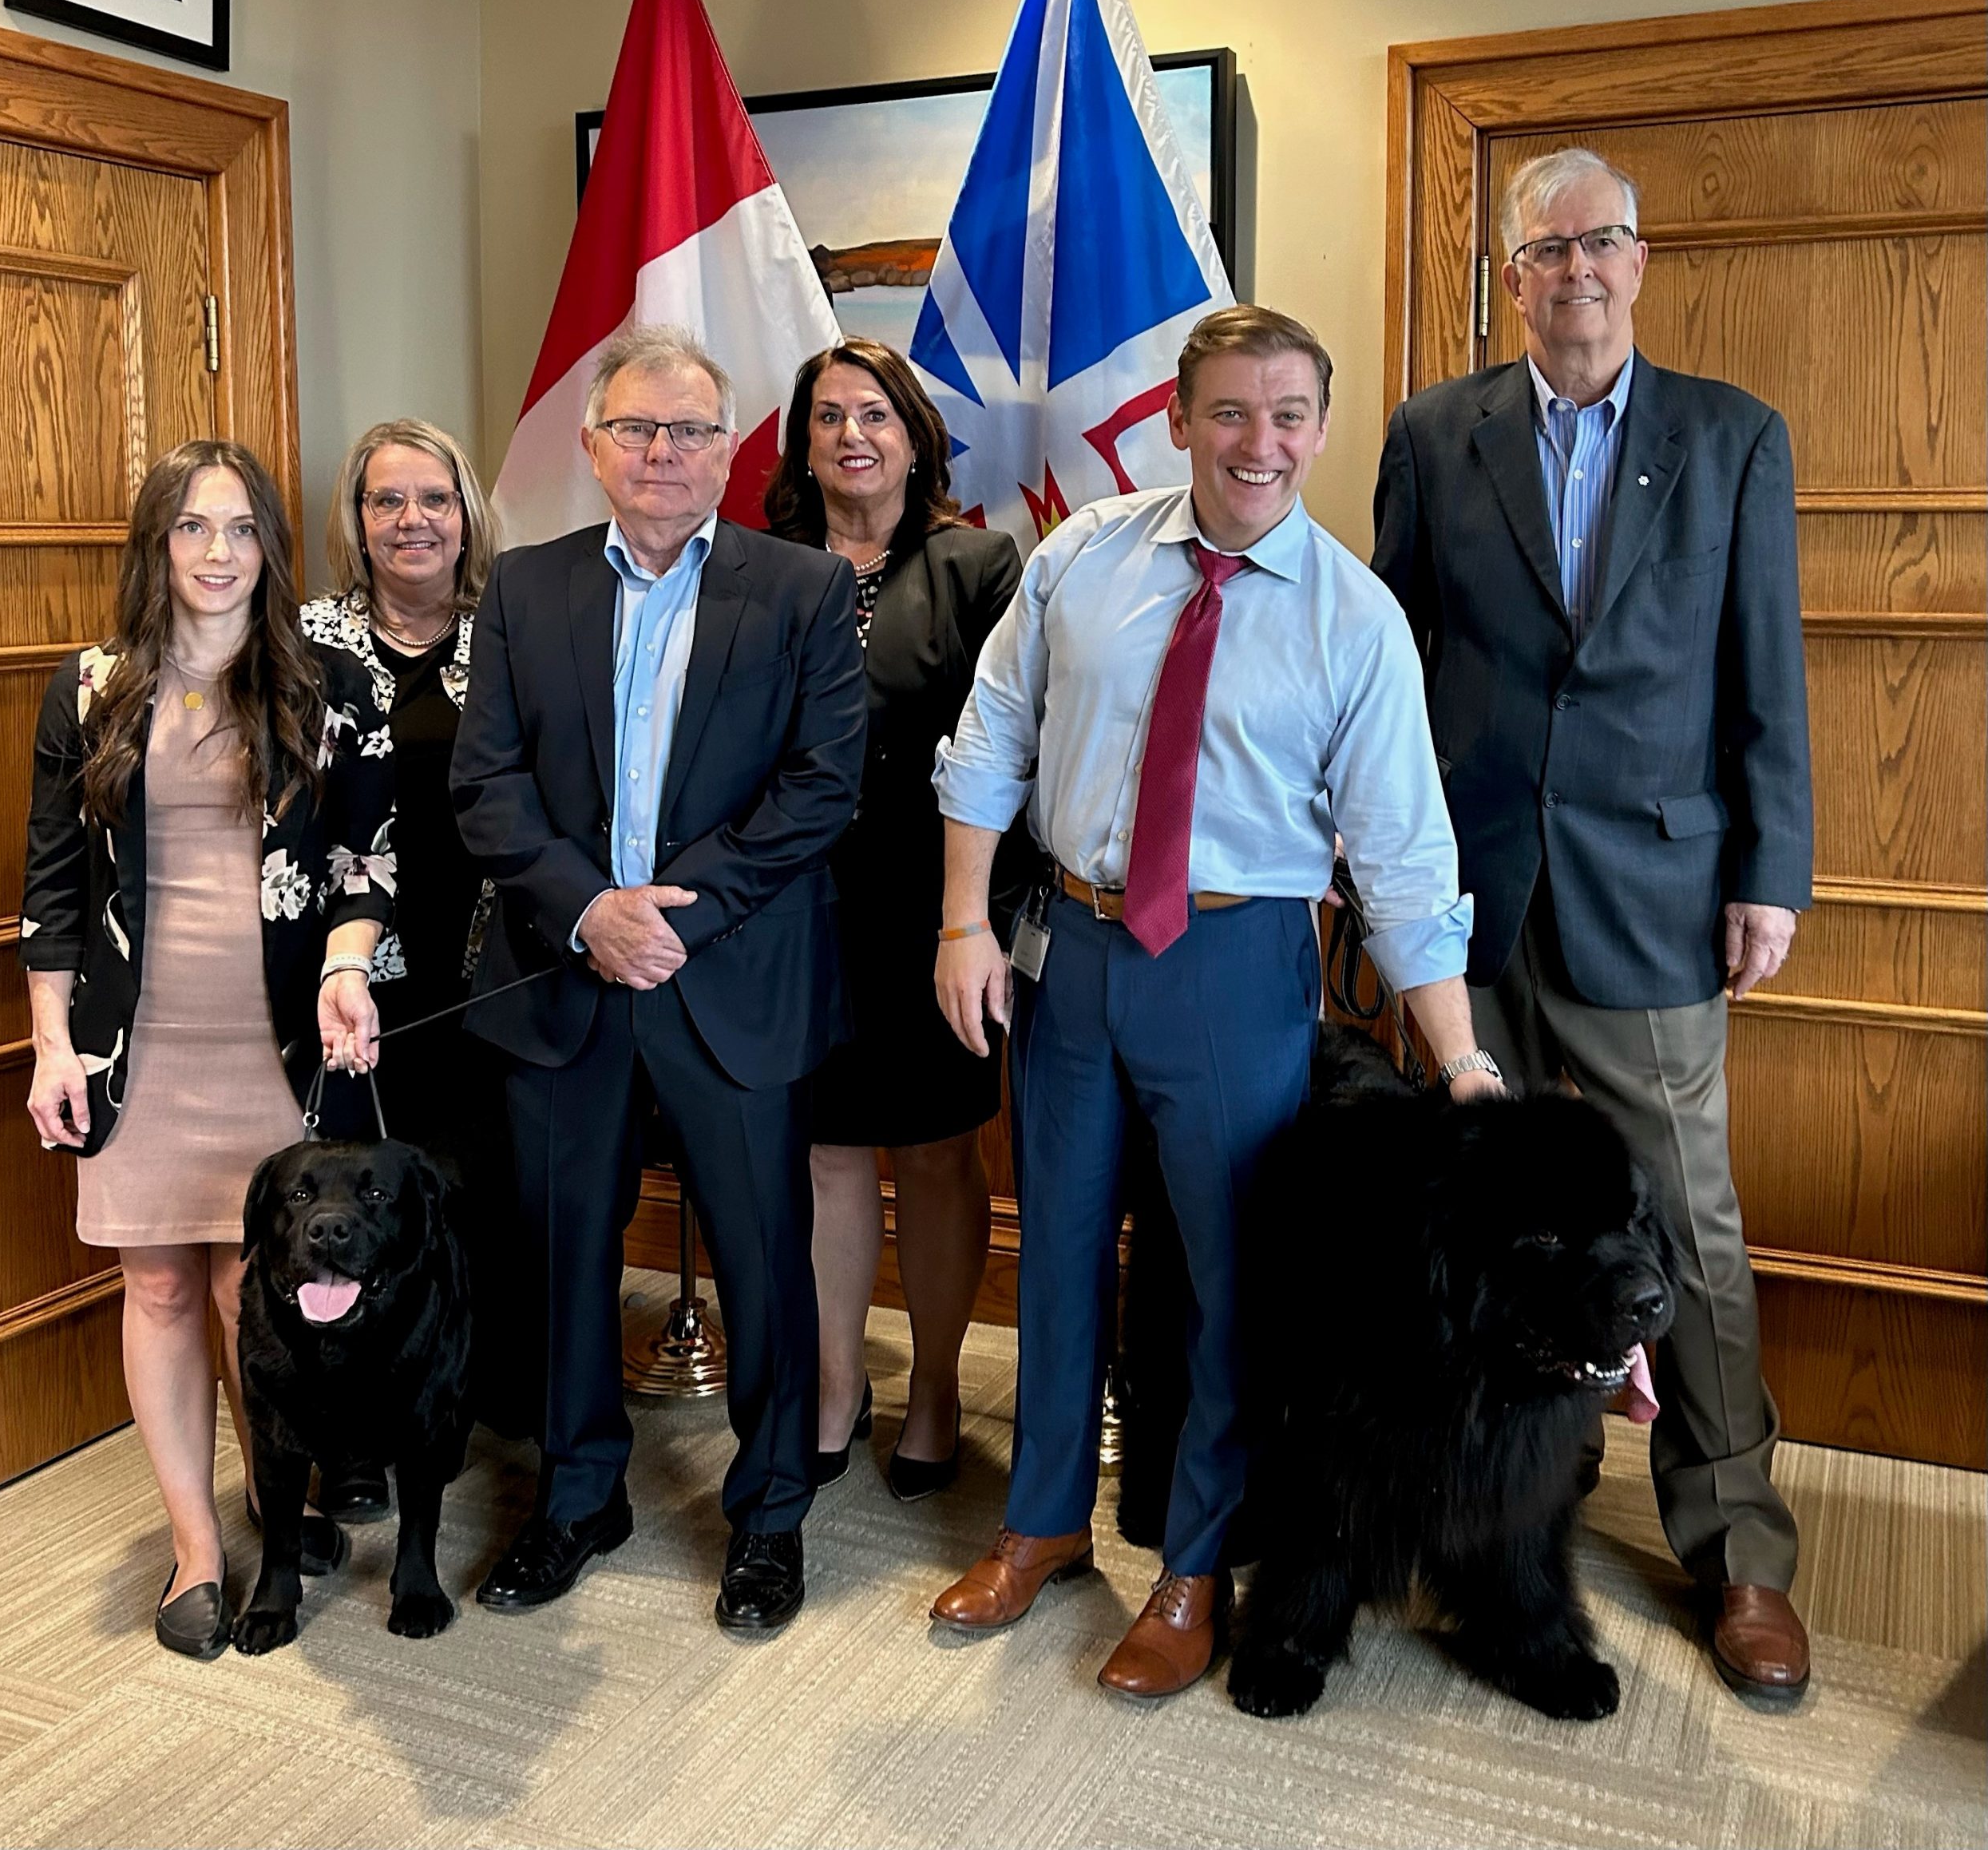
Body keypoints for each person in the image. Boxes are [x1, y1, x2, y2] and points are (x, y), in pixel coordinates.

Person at [926, 304, 1505, 1699]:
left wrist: (1464, 1062)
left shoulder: (1353, 619)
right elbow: (992, 734)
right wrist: (963, 919)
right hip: (1067, 943)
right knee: (1056, 1249)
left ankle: (1194, 1567)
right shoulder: (1081, 558)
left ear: (1320, 428)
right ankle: (1044, 1524)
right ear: (1178, 422)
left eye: (1288, 416)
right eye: (1230, 413)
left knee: (1225, 1283)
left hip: (1238, 968)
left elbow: (1406, 859)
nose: (1260, 443)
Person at [1371, 145, 1816, 1709]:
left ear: (1640, 257)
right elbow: (1392, 667)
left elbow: (1765, 664)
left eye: (1601, 243)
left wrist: (1770, 866)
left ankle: (1737, 1547)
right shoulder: (1433, 435)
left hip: (1652, 890)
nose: (1576, 270)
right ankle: (1503, 1513)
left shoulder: (1726, 437)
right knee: (1489, 1232)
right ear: (1510, 274)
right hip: (1470, 911)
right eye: (1546, 249)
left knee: (1680, 1230)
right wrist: (1379, 879)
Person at [450, 324, 865, 1631]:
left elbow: (822, 787)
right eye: (636, 428)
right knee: (569, 1261)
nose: (663, 453)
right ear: (593, 445)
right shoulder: (525, 588)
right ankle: (579, 1498)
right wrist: (589, 913)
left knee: (762, 1262)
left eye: (690, 430)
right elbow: (488, 784)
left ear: (728, 446)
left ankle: (771, 1516)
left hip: (728, 975)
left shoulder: (802, 589)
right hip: (566, 978)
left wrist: (675, 915)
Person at [20, 439, 396, 1660]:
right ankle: (194, 1548)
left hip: (274, 1051)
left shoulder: (330, 681)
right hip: (137, 1050)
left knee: (259, 1296)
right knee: (163, 1285)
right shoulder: (89, 689)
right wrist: (50, 1050)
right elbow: (54, 891)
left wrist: (346, 968)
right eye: (192, 528)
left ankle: (270, 1503)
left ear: (270, 548)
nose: (218, 553)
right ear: (157, 546)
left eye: (240, 530)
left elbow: (367, 863)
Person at [762, 342, 1023, 1499]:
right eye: (827, 418)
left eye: (875, 415)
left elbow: (1012, 743)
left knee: (933, 1155)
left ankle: (929, 1387)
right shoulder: (757, 572)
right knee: (823, 1158)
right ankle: (832, 1385)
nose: (851, 436)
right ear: (801, 444)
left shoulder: (976, 566)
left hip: (936, 917)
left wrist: (975, 920)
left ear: (915, 438)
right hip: (796, 920)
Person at [303, 418, 529, 1472]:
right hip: (355, 976)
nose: (411, 521)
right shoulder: (305, 649)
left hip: (496, 968)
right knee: (360, 1210)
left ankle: (495, 1395)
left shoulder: (517, 634)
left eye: (433, 499)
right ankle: (355, 1439)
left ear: (465, 514)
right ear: (357, 522)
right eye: (386, 501)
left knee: (493, 1191)